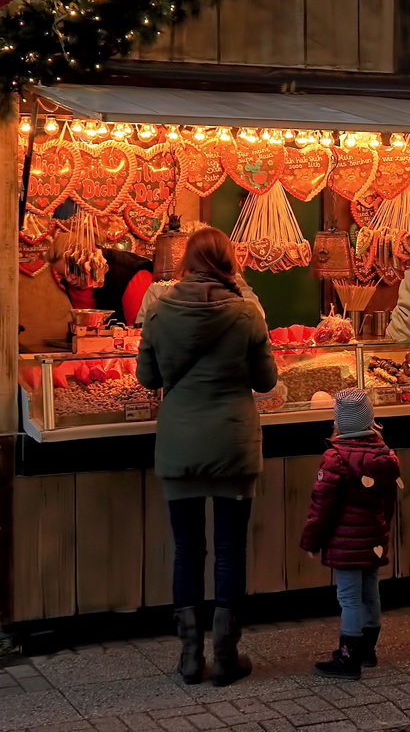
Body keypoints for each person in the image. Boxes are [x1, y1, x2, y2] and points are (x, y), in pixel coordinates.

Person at [133, 226, 276, 687]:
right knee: (231, 552)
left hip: (179, 442)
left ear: (186, 264)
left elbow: (147, 378)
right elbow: (267, 382)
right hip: (232, 442)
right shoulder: (247, 313)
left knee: (188, 550)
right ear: (228, 260)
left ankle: (190, 656)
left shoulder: (158, 312)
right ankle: (226, 655)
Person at [299, 389, 402, 677]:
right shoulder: (384, 456)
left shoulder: (334, 458)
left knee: (349, 598)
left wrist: (312, 540)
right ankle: (367, 650)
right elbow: (389, 503)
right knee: (371, 591)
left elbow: (322, 507)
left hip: (345, 543)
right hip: (373, 538)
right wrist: (383, 530)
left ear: (338, 423)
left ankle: (348, 658)